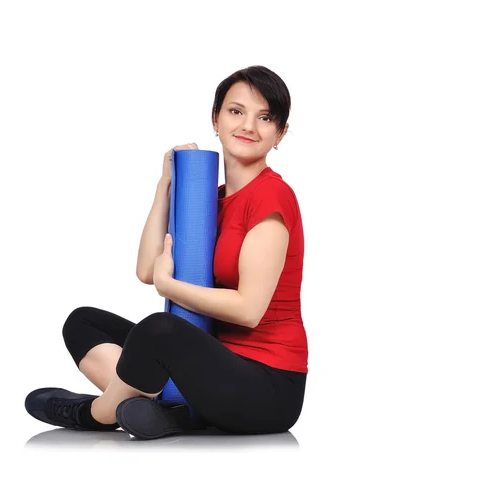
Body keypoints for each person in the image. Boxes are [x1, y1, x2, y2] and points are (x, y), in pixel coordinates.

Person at [25, 65, 309, 440]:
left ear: (280, 133)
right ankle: (172, 411)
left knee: (158, 330)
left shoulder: (272, 197)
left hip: (266, 388)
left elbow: (248, 310)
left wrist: (169, 287)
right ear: (216, 118)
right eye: (236, 111)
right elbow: (146, 269)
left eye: (265, 117)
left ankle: (95, 413)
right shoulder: (211, 197)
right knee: (83, 322)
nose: (248, 127)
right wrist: (166, 184)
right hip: (210, 366)